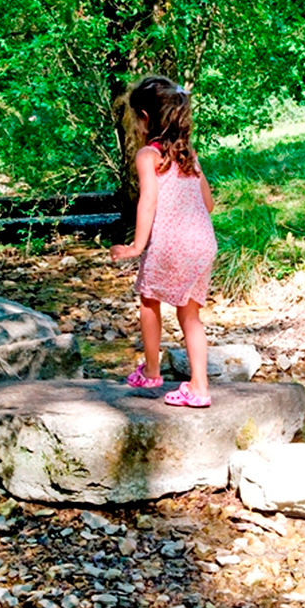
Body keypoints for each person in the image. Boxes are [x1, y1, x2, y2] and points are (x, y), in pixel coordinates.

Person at [110, 75, 217, 408]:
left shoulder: (148, 155)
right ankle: (199, 387)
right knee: (190, 316)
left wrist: (136, 246)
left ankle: (152, 371)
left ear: (145, 117)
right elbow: (209, 204)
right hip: (202, 242)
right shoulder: (188, 155)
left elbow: (148, 202)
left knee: (149, 300)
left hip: (170, 242)